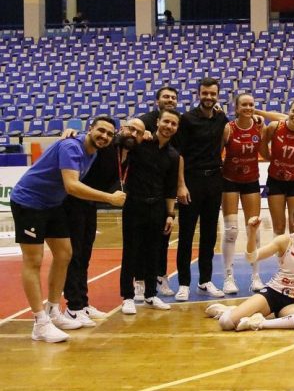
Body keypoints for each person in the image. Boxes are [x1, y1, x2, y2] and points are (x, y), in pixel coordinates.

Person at [10, 116, 126, 342]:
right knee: (33, 260)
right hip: (29, 202)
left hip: (52, 204)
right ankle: (40, 323)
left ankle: (53, 311)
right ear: (90, 129)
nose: (104, 136)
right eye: (101, 130)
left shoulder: (92, 153)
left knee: (64, 254)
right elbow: (72, 185)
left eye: (109, 134)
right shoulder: (71, 147)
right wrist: (109, 198)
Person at [62, 119, 145, 326]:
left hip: (90, 205)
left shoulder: (132, 153)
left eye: (139, 132)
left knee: (85, 256)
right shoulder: (106, 146)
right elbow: (85, 141)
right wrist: (72, 132)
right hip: (73, 202)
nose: (133, 134)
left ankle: (83, 303)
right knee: (75, 256)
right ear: (121, 129)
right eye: (130, 129)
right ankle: (73, 307)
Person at [205, 206, 294, 331]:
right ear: (293, 223)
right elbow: (251, 257)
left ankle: (260, 323)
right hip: (273, 294)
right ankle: (229, 311)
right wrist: (252, 232)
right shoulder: (284, 241)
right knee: (226, 322)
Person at [120, 109, 180, 315]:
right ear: (157, 122)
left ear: (177, 128)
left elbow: (170, 188)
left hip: (158, 208)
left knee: (154, 252)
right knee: (130, 252)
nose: (169, 126)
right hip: (134, 205)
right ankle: (128, 297)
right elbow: (122, 142)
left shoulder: (173, 156)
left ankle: (151, 295)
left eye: (173, 124)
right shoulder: (140, 143)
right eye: (166, 122)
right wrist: (136, 133)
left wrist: (170, 214)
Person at [175, 77, 229, 301]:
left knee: (209, 234)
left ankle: (205, 281)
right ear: (199, 94)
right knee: (186, 235)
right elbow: (179, 154)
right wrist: (181, 185)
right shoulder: (187, 119)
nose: (208, 97)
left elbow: (225, 140)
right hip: (191, 181)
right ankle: (183, 283)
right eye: (205, 93)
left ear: (217, 95)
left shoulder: (221, 117)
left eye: (212, 93)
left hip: (214, 180)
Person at [219, 93, 264, 295]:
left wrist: (260, 115)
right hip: (229, 180)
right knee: (231, 231)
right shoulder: (228, 128)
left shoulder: (259, 126)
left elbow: (265, 151)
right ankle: (228, 277)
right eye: (244, 105)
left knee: (254, 229)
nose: (248, 108)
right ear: (236, 108)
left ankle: (256, 276)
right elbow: (217, 153)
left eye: (251, 105)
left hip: (251, 180)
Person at [140, 86, 179, 296]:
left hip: (163, 193)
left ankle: (160, 276)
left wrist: (171, 211)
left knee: (162, 240)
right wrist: (139, 131)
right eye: (166, 96)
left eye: (173, 97)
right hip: (141, 194)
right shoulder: (144, 122)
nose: (170, 100)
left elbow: (178, 162)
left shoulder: (173, 151)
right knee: (139, 242)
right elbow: (126, 132)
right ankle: (138, 281)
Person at [261, 99, 294, 237]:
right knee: (279, 227)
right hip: (275, 180)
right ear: (288, 111)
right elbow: (262, 147)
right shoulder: (275, 127)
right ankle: (279, 252)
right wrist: (269, 158)